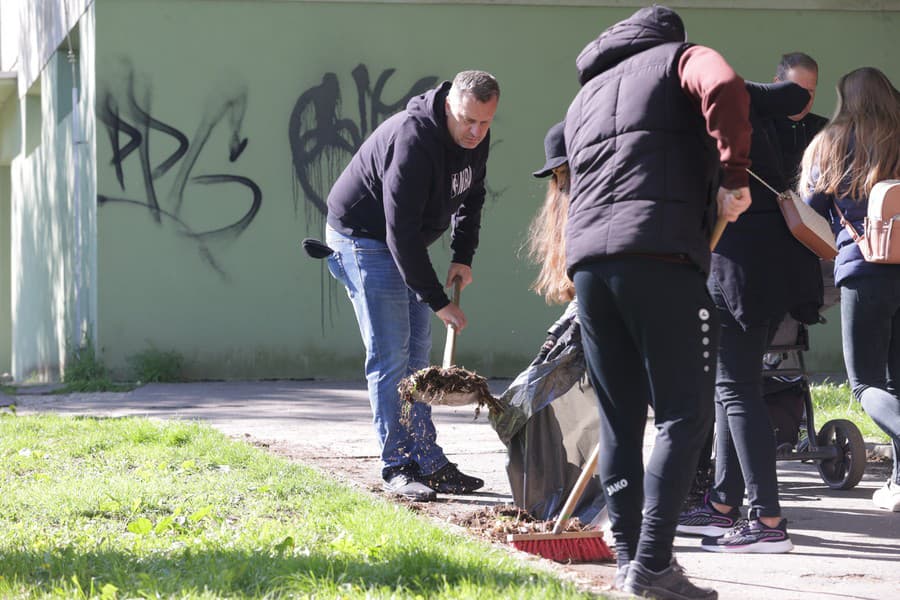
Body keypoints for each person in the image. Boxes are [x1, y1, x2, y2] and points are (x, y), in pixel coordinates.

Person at [563, 6, 751, 599]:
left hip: (589, 264)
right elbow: (724, 85)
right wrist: (732, 175)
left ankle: (626, 561)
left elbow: (558, 160)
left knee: (620, 418)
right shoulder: (681, 59)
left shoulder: (585, 96)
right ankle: (652, 565)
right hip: (662, 257)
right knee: (684, 414)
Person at [324, 70, 500, 502]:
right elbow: (399, 232)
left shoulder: (474, 136)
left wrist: (462, 255)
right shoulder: (414, 139)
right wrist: (438, 301)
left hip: (404, 242)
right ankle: (398, 466)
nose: (476, 132)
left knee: (418, 360)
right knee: (391, 356)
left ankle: (428, 460)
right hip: (363, 239)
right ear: (448, 106)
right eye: (467, 121)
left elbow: (472, 195)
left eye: (486, 122)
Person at [676, 80, 822, 554]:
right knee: (731, 387)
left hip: (737, 270)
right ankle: (722, 507)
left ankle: (767, 520)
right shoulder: (747, 107)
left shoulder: (708, 119)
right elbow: (797, 95)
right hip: (767, 267)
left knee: (737, 390)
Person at [800, 67, 900, 512]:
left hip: (864, 272)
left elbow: (810, 208)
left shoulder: (831, 141)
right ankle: (898, 484)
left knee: (865, 385)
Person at [773, 52, 829, 183]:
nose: (803, 98)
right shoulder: (756, 129)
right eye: (795, 89)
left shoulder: (827, 131)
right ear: (776, 84)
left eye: (810, 91)